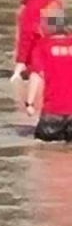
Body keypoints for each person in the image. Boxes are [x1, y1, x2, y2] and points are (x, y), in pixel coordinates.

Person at [26, 8, 72, 141]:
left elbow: (36, 76)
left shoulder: (42, 46)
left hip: (53, 111)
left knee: (43, 150)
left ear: (49, 26)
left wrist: (29, 103)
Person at [11, 0, 63, 82]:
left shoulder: (27, 8)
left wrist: (20, 64)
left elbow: (26, 36)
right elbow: (59, 28)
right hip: (56, 55)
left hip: (36, 61)